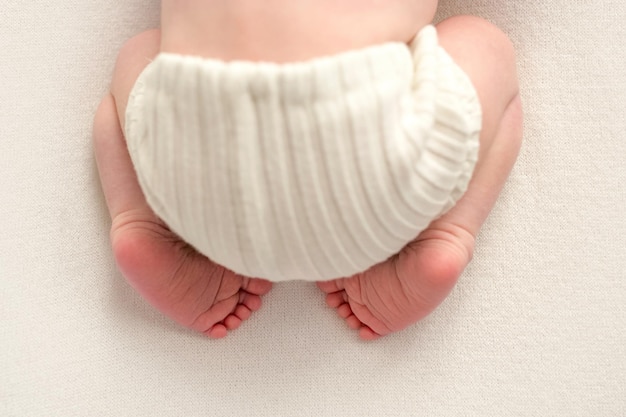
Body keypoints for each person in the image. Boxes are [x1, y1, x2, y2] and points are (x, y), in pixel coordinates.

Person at [94, 0, 522, 340]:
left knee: (139, 53)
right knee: (486, 43)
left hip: (191, 181)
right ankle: (447, 234)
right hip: (378, 176)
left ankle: (138, 220)